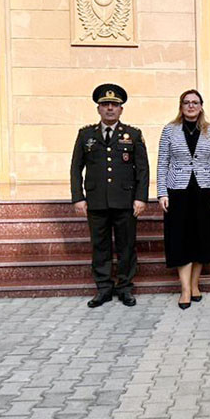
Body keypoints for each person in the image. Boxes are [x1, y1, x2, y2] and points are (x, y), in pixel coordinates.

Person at [70, 84, 150, 309]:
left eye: (114, 105)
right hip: (96, 201)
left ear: (121, 110)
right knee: (100, 246)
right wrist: (78, 197)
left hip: (125, 201)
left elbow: (142, 169)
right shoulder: (86, 135)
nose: (110, 109)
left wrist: (141, 198)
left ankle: (125, 288)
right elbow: (76, 168)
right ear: (98, 109)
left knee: (126, 246)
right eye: (105, 105)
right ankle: (103, 288)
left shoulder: (133, 135)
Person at [157, 89, 210, 309]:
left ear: (201, 106)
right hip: (177, 191)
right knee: (181, 238)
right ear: (181, 106)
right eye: (186, 102)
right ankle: (185, 288)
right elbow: (162, 163)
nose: (191, 106)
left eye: (195, 102)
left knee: (201, 237)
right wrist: (162, 193)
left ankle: (195, 284)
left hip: (205, 190)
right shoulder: (169, 130)